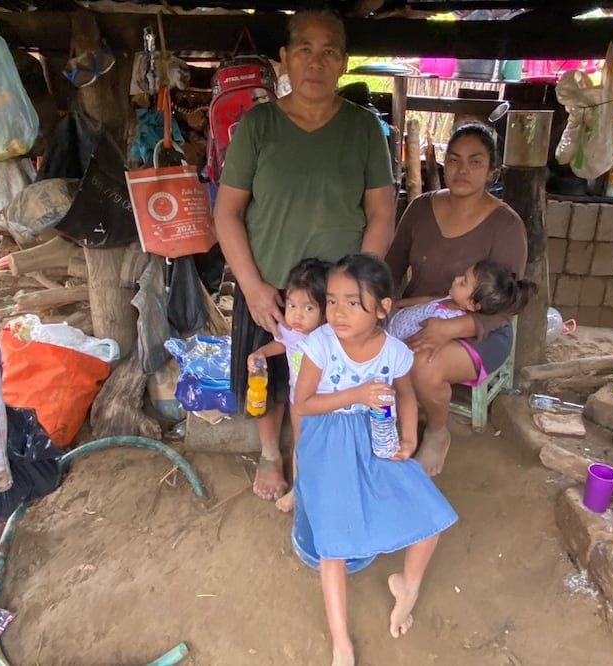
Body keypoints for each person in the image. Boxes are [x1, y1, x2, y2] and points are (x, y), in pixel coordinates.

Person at [213, 8, 395, 501]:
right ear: (284, 59)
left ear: (344, 61)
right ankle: (272, 454)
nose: (316, 61)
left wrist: (358, 290)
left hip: (338, 295)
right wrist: (251, 286)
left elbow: (381, 211)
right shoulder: (257, 126)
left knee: (339, 380)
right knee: (269, 377)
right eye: (305, 50)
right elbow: (227, 212)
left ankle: (319, 458)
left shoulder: (363, 129)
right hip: (272, 287)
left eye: (329, 51)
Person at [294, 254, 457, 666]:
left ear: (384, 308)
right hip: (327, 441)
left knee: (430, 516)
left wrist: (409, 436)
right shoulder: (321, 345)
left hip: (377, 436)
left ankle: (408, 584)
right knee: (333, 544)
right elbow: (304, 403)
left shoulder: (395, 352)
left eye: (353, 301)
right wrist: (355, 395)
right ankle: (341, 641)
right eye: (332, 300)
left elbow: (405, 394)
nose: (338, 312)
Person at [385, 122, 528, 477]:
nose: (462, 170)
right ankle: (390, 422)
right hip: (419, 314)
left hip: (481, 330)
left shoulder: (506, 225)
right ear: (443, 163)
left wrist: (453, 328)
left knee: (423, 364)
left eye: (475, 162)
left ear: (492, 170)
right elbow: (390, 268)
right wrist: (377, 305)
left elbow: (507, 304)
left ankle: (436, 430)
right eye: (454, 159)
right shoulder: (419, 209)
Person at [246, 257, 331, 512]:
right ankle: (299, 489)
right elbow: (283, 343)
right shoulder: (291, 330)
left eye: (308, 308)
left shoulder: (330, 336)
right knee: (301, 443)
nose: (296, 314)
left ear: (327, 310)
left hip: (329, 403)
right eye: (292, 305)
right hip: (299, 400)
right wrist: (261, 352)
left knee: (328, 445)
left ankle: (326, 489)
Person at [388, 259, 536, 342]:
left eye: (463, 282)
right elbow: (427, 300)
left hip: (393, 340)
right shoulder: (449, 299)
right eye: (462, 276)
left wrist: (395, 348)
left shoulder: (448, 320)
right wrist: (398, 304)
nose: (456, 279)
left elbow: (419, 340)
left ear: (472, 304)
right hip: (391, 320)